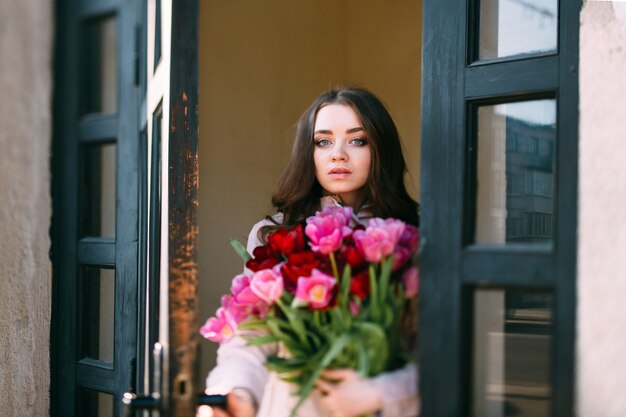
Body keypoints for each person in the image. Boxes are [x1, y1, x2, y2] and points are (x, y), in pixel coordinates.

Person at [199, 87, 420, 417]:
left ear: (381, 148)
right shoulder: (274, 234)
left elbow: (441, 345)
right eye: (323, 141)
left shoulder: (411, 235)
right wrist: (234, 391)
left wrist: (380, 393)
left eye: (357, 140)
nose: (338, 154)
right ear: (309, 152)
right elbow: (253, 333)